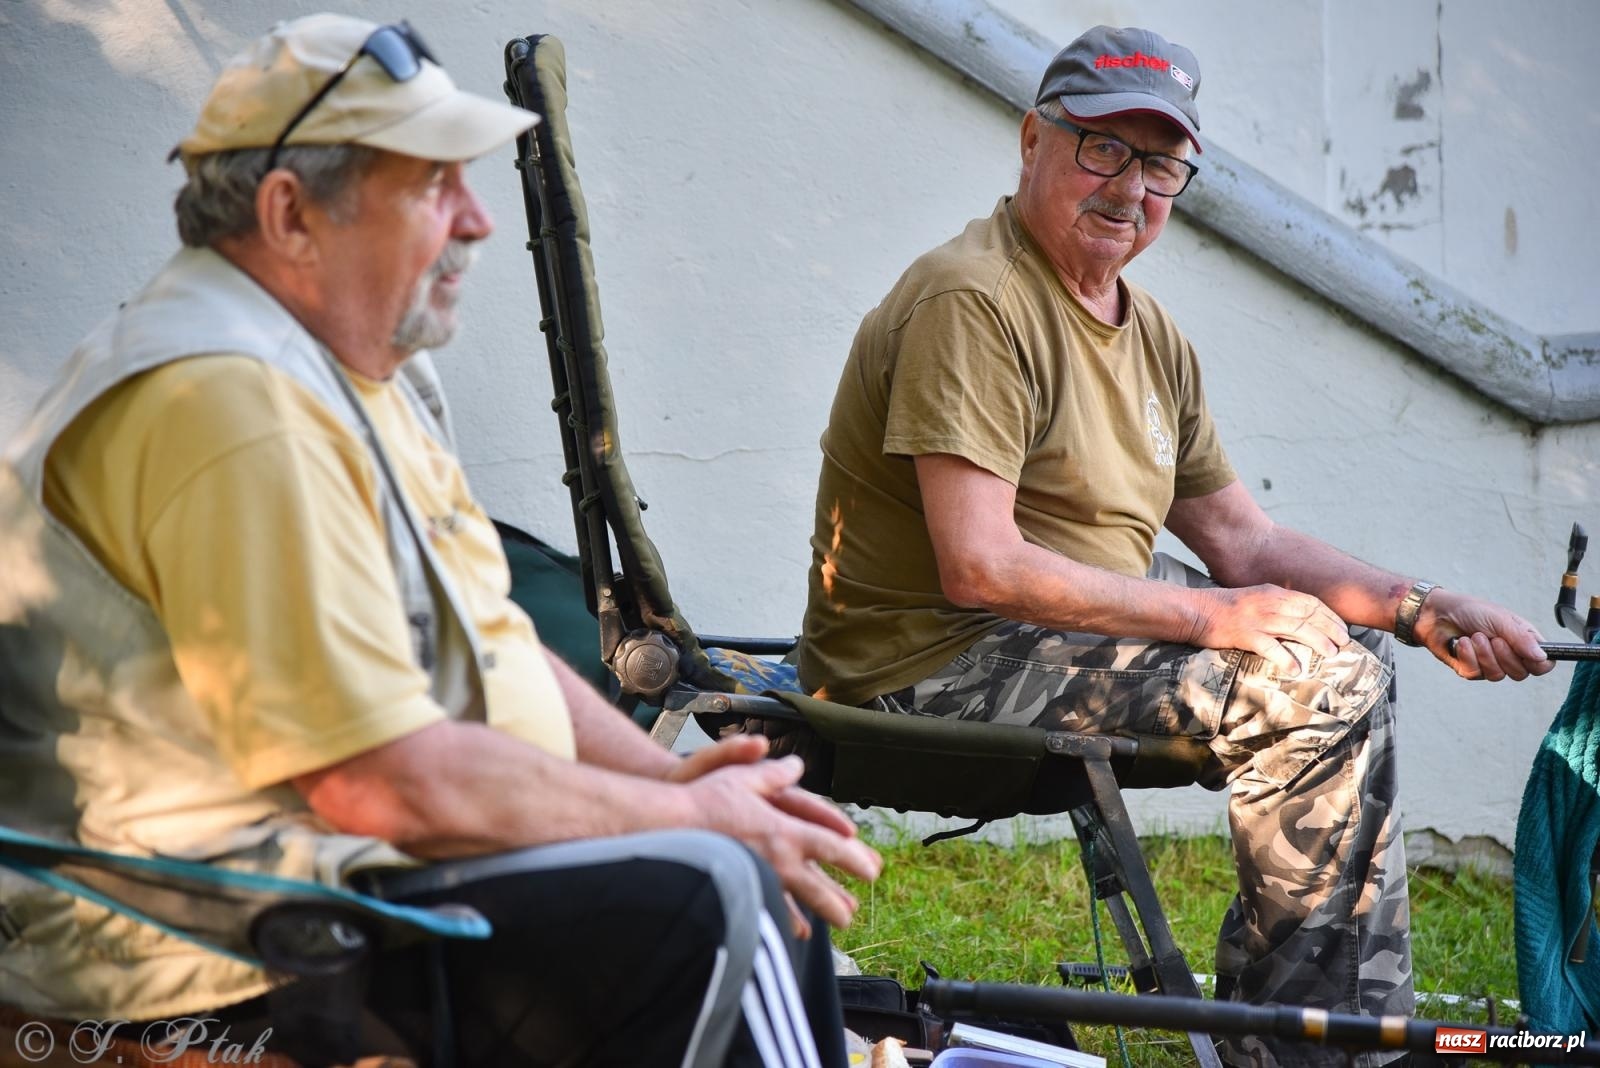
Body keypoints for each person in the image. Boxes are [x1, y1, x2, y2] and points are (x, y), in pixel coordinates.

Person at [0, 14, 879, 1068]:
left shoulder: (358, 371)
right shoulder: (227, 402)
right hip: (202, 941)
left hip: (328, 883)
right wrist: (692, 827)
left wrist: (671, 792)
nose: (478, 221)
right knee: (709, 891)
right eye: (431, 187)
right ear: (290, 215)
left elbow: (494, 644)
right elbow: (381, 781)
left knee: (730, 873)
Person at [798, 24, 1550, 1068]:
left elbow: (1242, 539)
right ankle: (1314, 1049)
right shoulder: (972, 298)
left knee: (1350, 654)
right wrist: (1220, 616)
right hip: (929, 664)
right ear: (1032, 141)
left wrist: (1422, 603)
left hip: (1042, 634)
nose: (1130, 187)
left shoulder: (1148, 331)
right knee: (1310, 683)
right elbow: (979, 565)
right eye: (1103, 148)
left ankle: (1300, 1022)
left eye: (1160, 164)